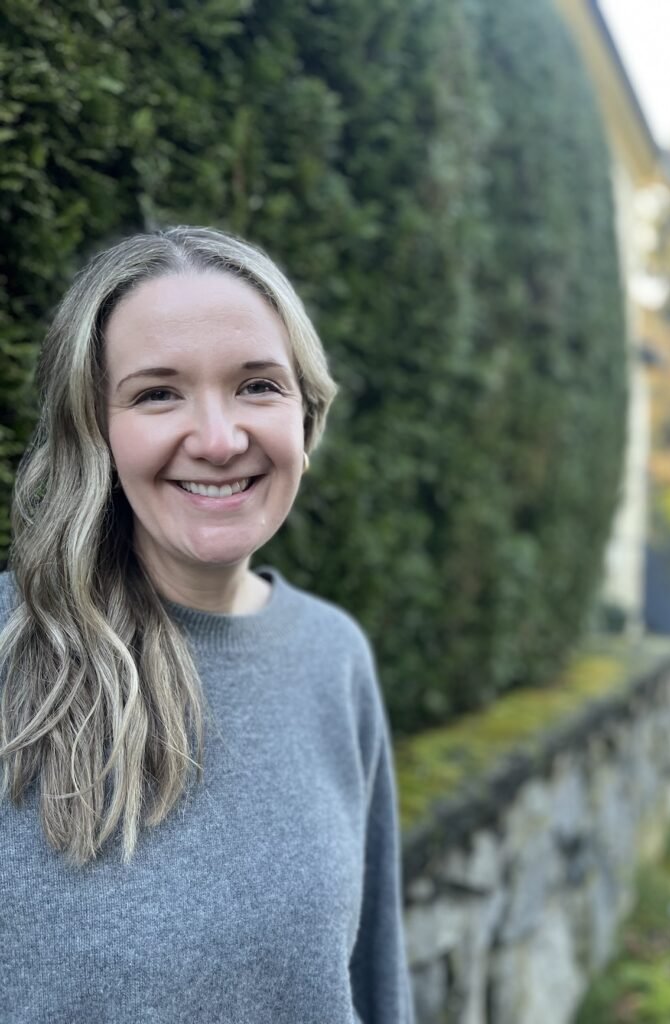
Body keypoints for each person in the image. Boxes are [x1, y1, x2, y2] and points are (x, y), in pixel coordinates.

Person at [0, 226, 414, 1024]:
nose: (221, 440)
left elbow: (374, 980)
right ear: (95, 429)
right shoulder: (11, 650)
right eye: (158, 393)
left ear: (306, 410)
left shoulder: (333, 655)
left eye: (258, 385)